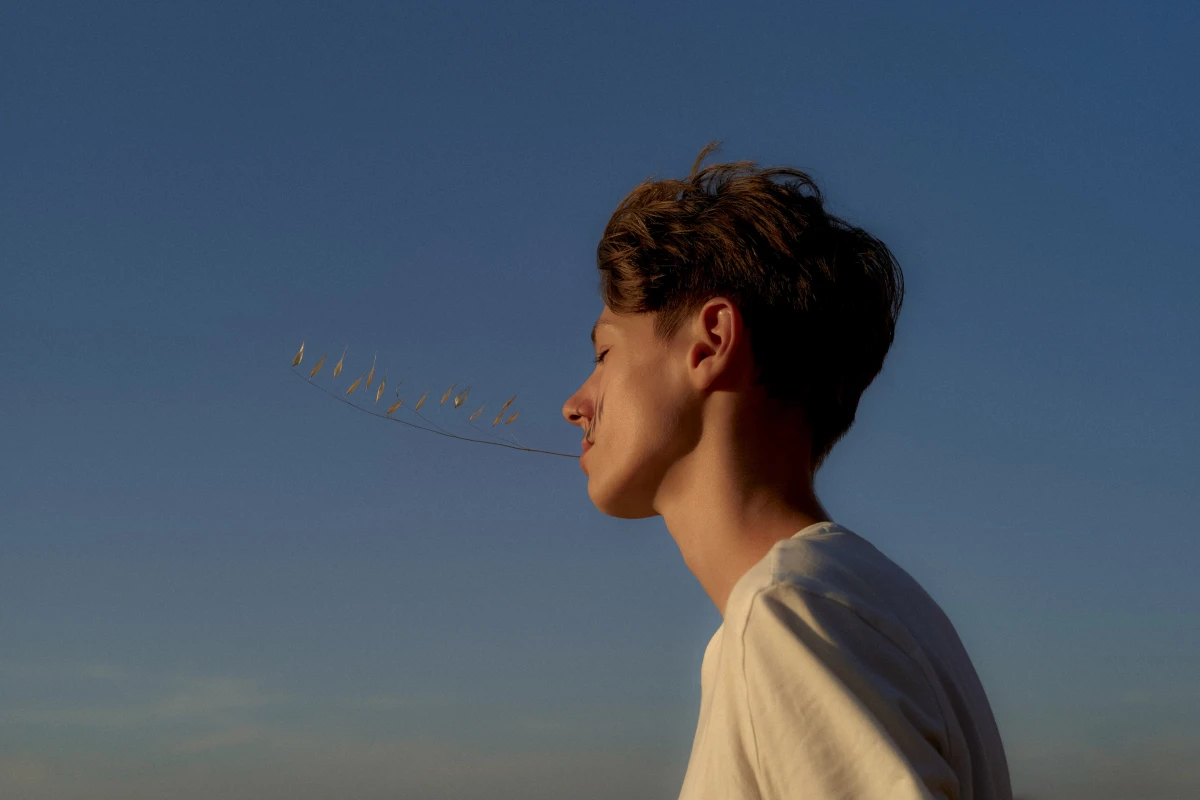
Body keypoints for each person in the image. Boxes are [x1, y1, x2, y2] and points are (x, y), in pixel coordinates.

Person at [561, 144, 1012, 800]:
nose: (575, 404)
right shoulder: (862, 600)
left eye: (605, 352)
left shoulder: (786, 617)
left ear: (711, 342)